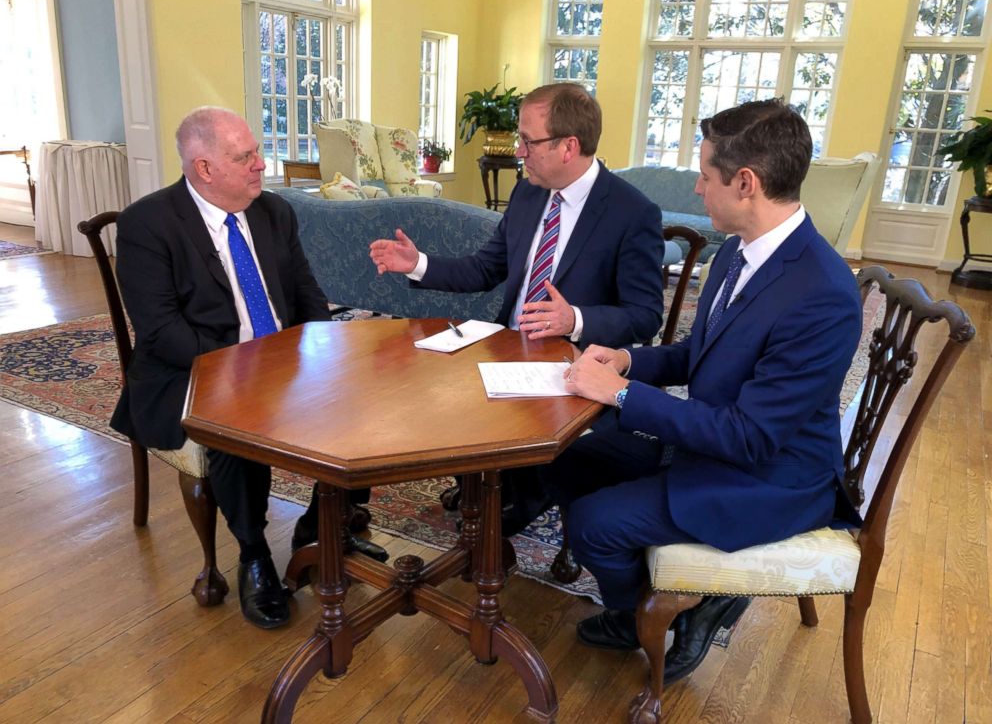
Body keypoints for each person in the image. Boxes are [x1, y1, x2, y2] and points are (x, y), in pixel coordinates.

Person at [548, 99, 863, 683]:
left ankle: (653, 612)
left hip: (770, 478)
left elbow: (753, 438)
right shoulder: (739, 252)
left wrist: (619, 393)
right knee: (572, 458)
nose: (695, 188)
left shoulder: (822, 292)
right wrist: (627, 359)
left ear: (746, 183)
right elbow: (702, 353)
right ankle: (675, 590)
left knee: (594, 522)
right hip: (716, 438)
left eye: (704, 174)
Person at [110, 106, 385, 631]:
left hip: (276, 359)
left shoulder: (274, 212)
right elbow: (162, 331)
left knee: (364, 394)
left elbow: (306, 295)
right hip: (189, 371)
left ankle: (323, 524)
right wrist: (241, 371)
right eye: (247, 156)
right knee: (232, 424)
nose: (262, 164)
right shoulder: (148, 224)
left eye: (257, 151)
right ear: (205, 168)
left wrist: (324, 355)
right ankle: (254, 553)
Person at [369, 82, 667, 531]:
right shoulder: (529, 194)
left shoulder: (632, 212)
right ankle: (489, 486)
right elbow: (485, 269)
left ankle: (516, 497)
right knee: (423, 391)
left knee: (508, 482)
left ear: (569, 146)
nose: (519, 151)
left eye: (529, 140)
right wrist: (419, 264)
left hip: (573, 363)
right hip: (503, 348)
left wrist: (576, 319)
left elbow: (646, 315)